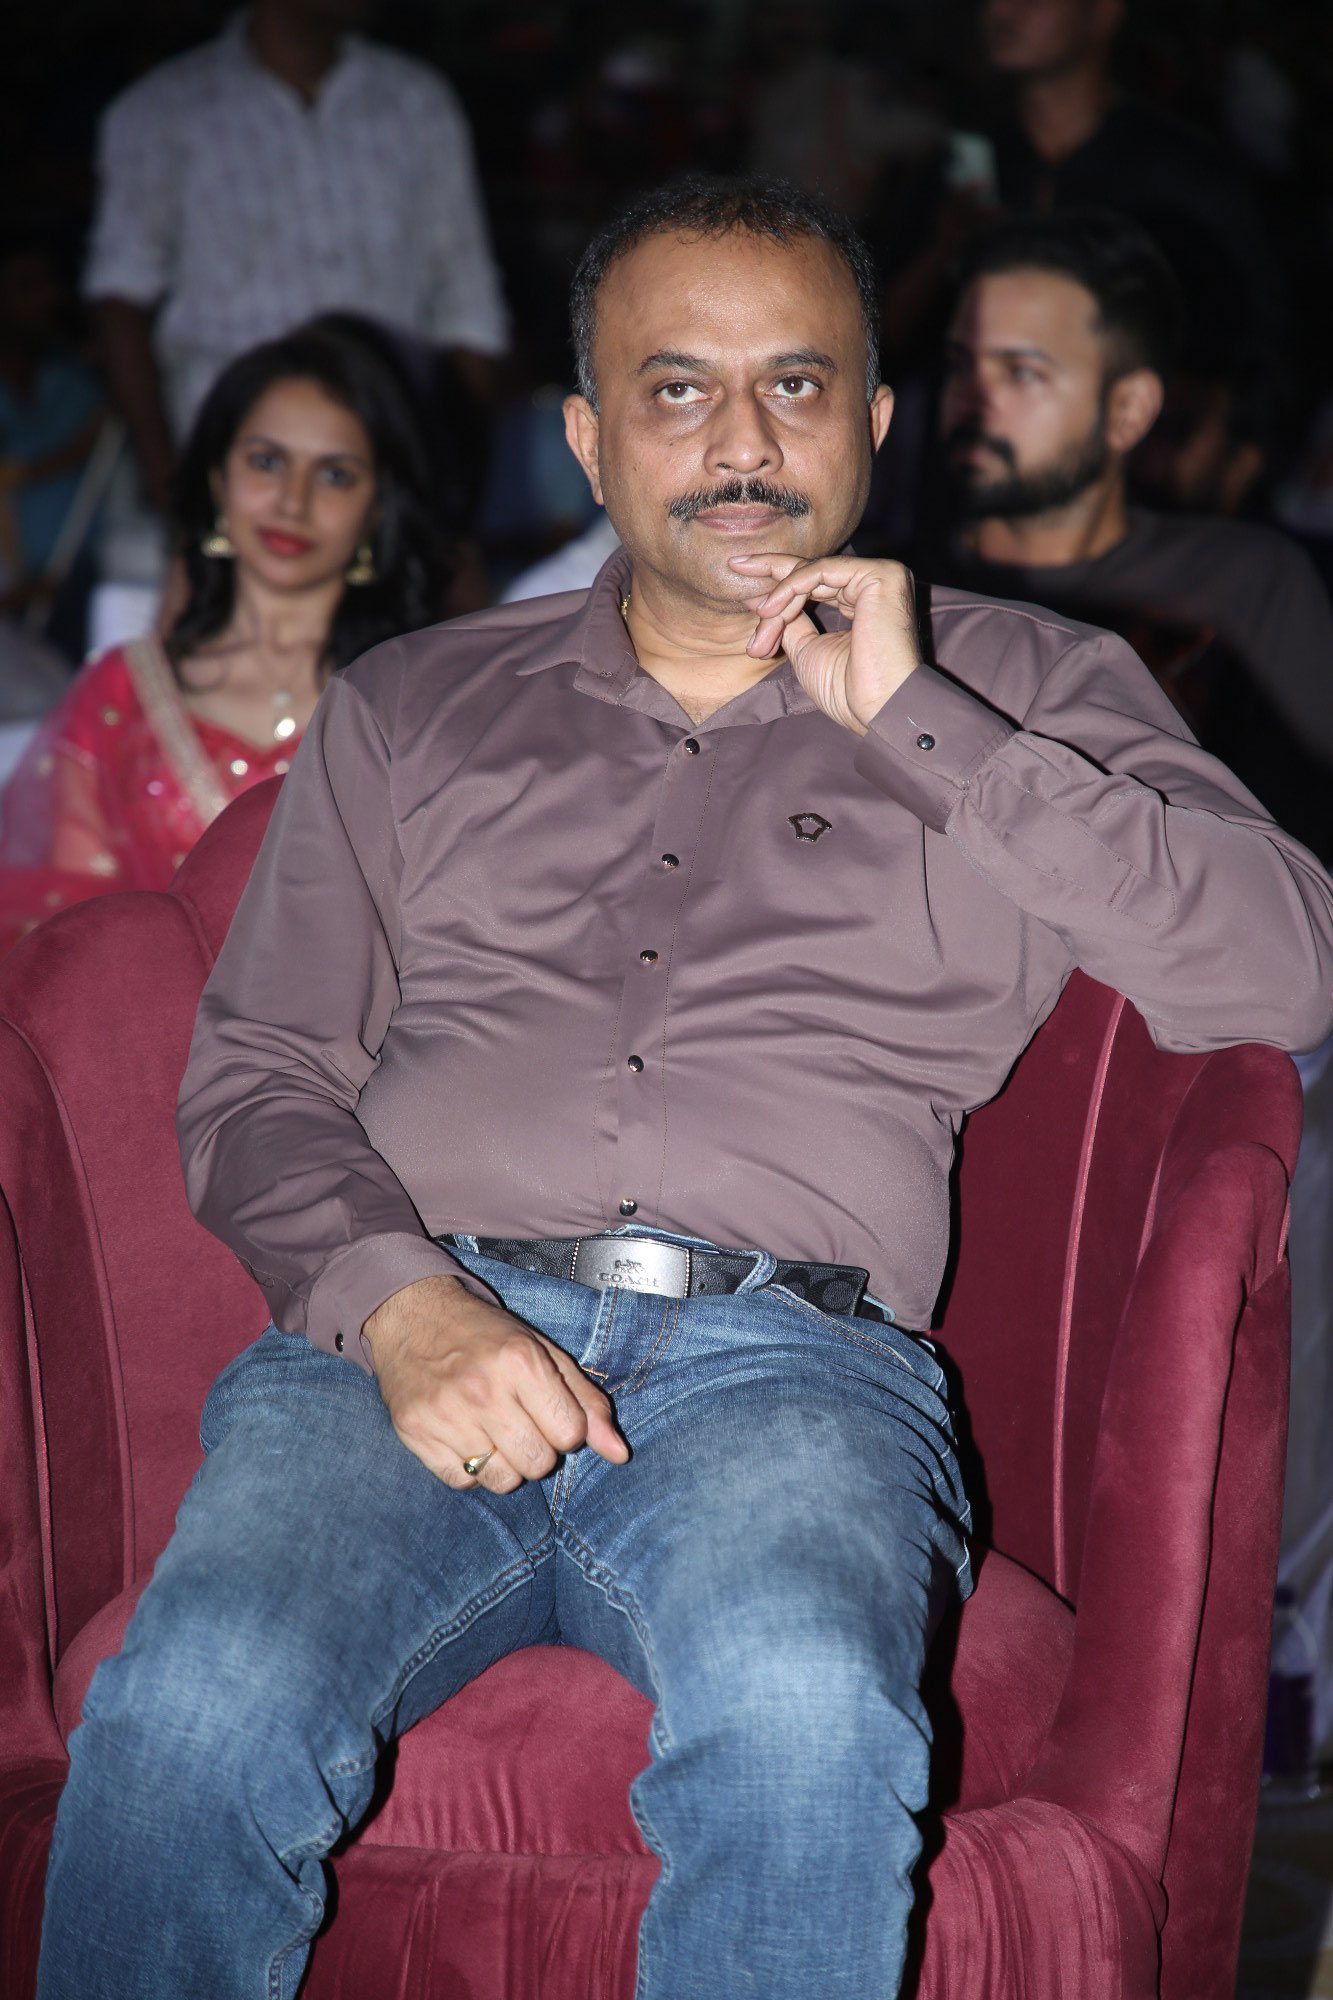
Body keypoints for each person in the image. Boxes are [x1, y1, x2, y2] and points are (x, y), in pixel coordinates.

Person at [36, 176, 1333, 2000]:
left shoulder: (1027, 684)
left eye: (796, 385)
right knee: (191, 1713)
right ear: (586, 438)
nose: (742, 444)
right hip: (410, 1344)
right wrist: (400, 1308)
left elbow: (1287, 967)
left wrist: (924, 726)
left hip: (791, 1373)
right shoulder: (411, 707)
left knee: (806, 1717)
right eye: (676, 390)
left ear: (876, 421)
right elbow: (255, 1074)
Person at [0, 322, 444, 951]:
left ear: (377, 510)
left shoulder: (414, 703)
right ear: (217, 480)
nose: (292, 501)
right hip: (139, 1008)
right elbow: (73, 924)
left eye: (335, 475)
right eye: (267, 462)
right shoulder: (123, 694)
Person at [933, 209, 1333, 861]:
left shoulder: (1239, 579)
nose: (973, 399)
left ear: (1127, 410)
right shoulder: (899, 583)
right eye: (961, 365)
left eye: (1021, 373)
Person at [83, 0, 509, 516]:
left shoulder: (416, 101)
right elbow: (121, 303)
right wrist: (171, 493)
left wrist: (453, 497)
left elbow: (469, 308)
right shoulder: (161, 111)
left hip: (389, 471)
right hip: (224, 466)